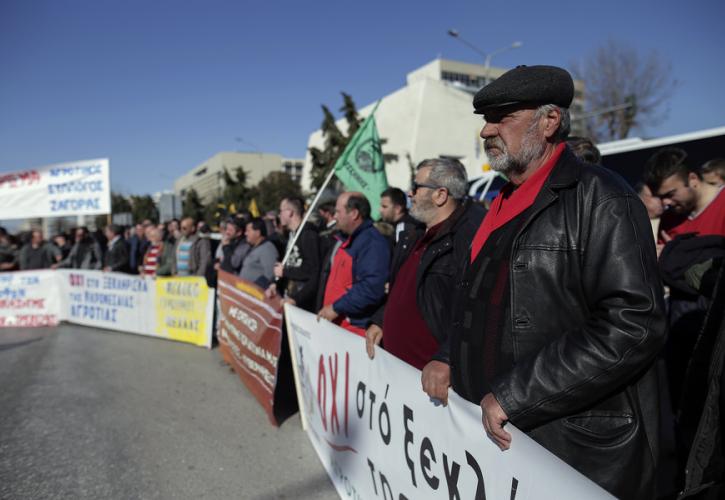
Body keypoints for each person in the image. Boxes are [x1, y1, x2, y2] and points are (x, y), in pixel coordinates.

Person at [437, 65, 666, 499]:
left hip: (567, 446)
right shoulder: (498, 203)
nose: (486, 130)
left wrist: (514, 395)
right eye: (484, 119)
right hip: (498, 441)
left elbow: (634, 325)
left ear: (550, 120)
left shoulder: (602, 198)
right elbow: (479, 303)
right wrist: (447, 355)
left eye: (501, 116)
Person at [365, 158, 485, 373]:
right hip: (395, 370)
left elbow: (475, 313)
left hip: (429, 384)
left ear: (440, 195)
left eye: (416, 187)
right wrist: (381, 319)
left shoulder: (469, 238)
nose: (410, 194)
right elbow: (403, 290)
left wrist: (447, 359)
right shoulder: (415, 234)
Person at [317, 192, 390, 336]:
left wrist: (336, 308)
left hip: (353, 331)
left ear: (354, 214)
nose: (335, 216)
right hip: (336, 326)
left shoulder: (371, 243)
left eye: (338, 211)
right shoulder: (346, 239)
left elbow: (371, 287)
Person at [643, 147, 725, 242]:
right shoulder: (669, 220)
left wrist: (683, 254)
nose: (665, 203)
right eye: (660, 197)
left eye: (670, 194)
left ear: (693, 179)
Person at [267, 197, 320, 312]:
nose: (279, 215)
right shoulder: (292, 234)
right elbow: (288, 264)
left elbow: (312, 270)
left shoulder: (308, 235)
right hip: (289, 297)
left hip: (302, 303)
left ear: (290, 212)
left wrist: (284, 272)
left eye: (281, 211)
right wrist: (275, 283)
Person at [239, 217, 278, 288]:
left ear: (257, 232)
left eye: (248, 231)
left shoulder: (267, 249)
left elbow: (270, 274)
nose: (245, 233)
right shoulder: (254, 247)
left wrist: (255, 287)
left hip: (256, 294)